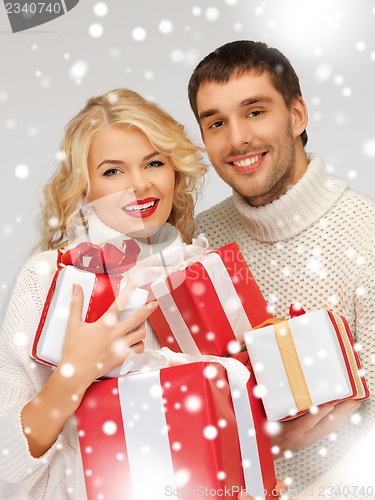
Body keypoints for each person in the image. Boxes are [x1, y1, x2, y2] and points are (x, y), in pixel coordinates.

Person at [0, 88, 207, 498]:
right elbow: (6, 464)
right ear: (84, 188)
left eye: (153, 163)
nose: (140, 185)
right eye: (113, 171)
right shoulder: (49, 277)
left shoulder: (197, 273)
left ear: (175, 173)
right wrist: (76, 372)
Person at [188, 40, 375, 494]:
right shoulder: (197, 242)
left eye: (255, 111)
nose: (237, 139)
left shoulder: (366, 238)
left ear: (297, 116)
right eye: (216, 122)